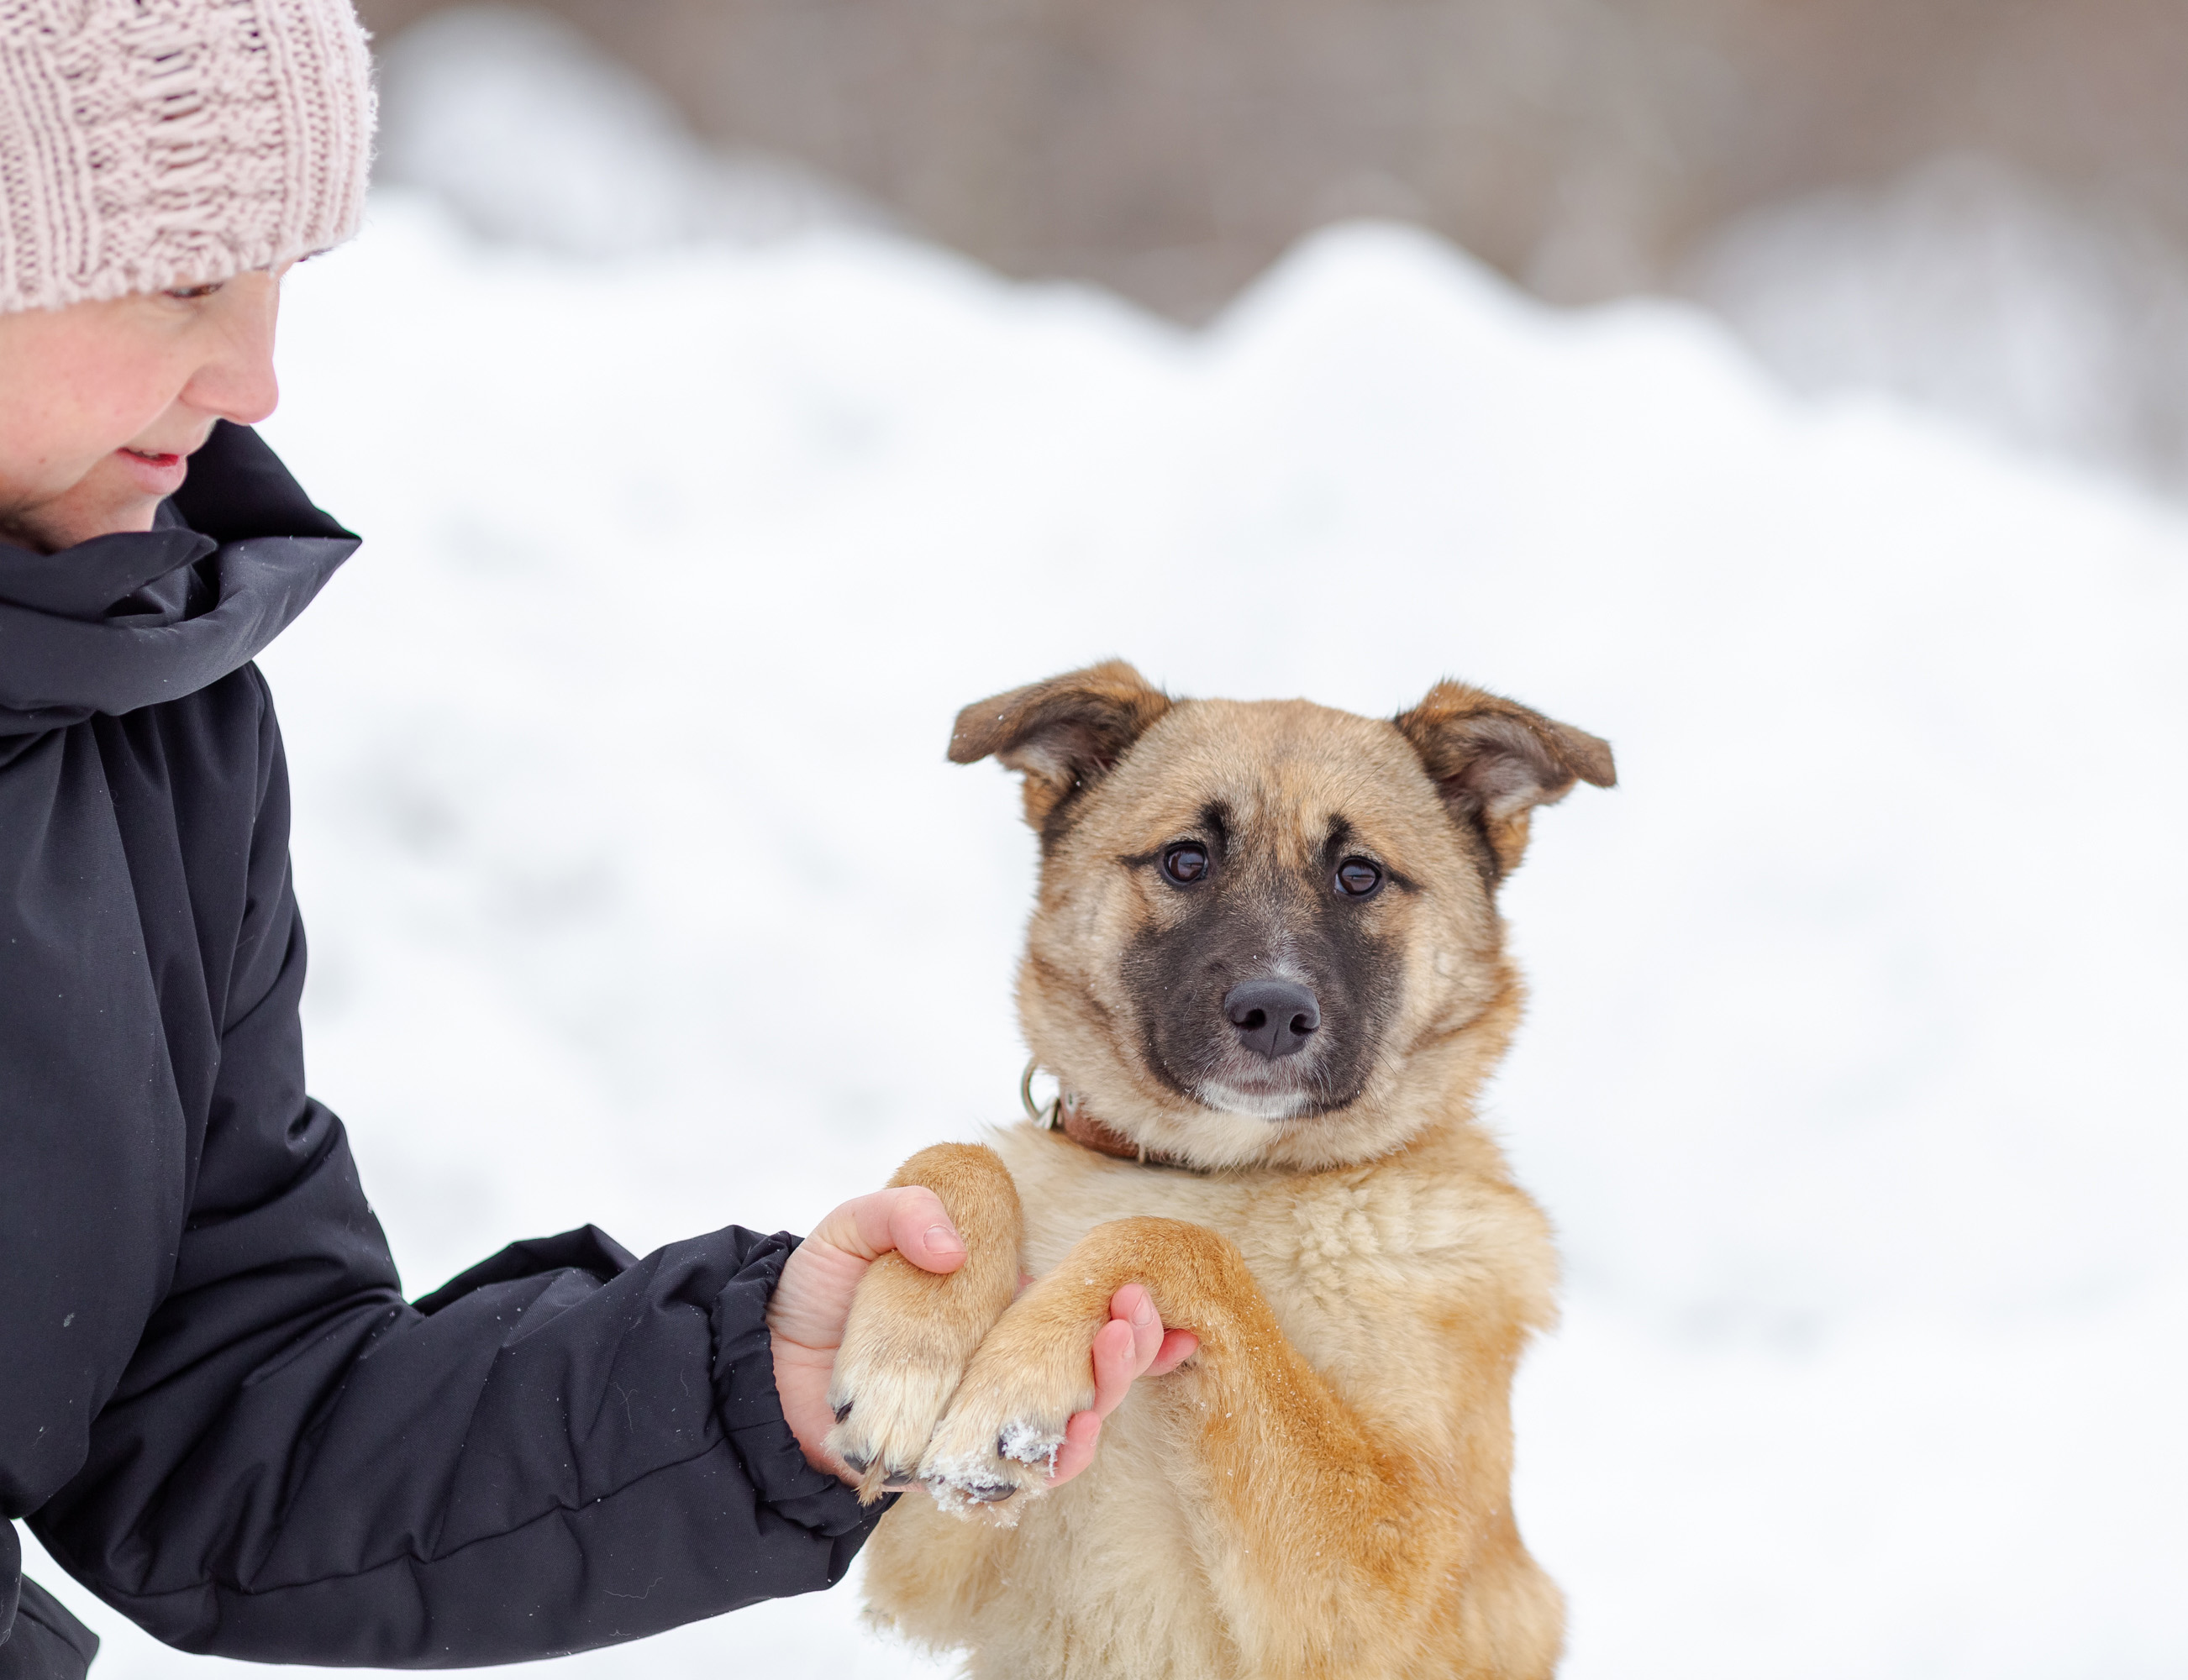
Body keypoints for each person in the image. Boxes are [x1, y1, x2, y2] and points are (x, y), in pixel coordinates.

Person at [0, 5, 1191, 1676]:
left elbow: (222, 1427)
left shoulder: (153, 718)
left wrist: (760, 1387)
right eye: (184, 279)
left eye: (284, 284)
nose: (257, 378)